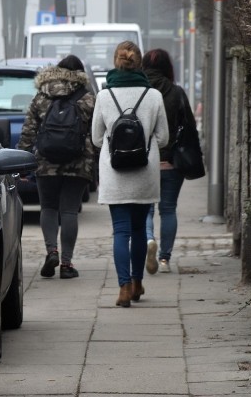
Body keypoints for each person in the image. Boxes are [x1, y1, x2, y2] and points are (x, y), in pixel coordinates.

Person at [91, 41, 168, 307]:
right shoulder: (154, 96)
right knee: (139, 229)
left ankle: (123, 288)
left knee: (120, 231)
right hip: (145, 171)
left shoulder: (104, 96)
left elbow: (97, 139)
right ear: (139, 63)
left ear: (116, 62)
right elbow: (164, 137)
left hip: (115, 173)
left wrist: (118, 144)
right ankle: (137, 283)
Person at [17, 54, 95, 279]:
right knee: (69, 210)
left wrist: (22, 161)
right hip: (78, 163)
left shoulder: (42, 96)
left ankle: (51, 250)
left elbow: (29, 131)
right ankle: (67, 264)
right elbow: (98, 133)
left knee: (49, 208)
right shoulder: (88, 98)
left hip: (46, 162)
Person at [142, 48, 200, 274]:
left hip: (144, 162)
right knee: (168, 209)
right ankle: (165, 259)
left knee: (146, 209)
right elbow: (190, 128)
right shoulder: (176, 93)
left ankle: (148, 240)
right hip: (172, 162)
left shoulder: (140, 92)